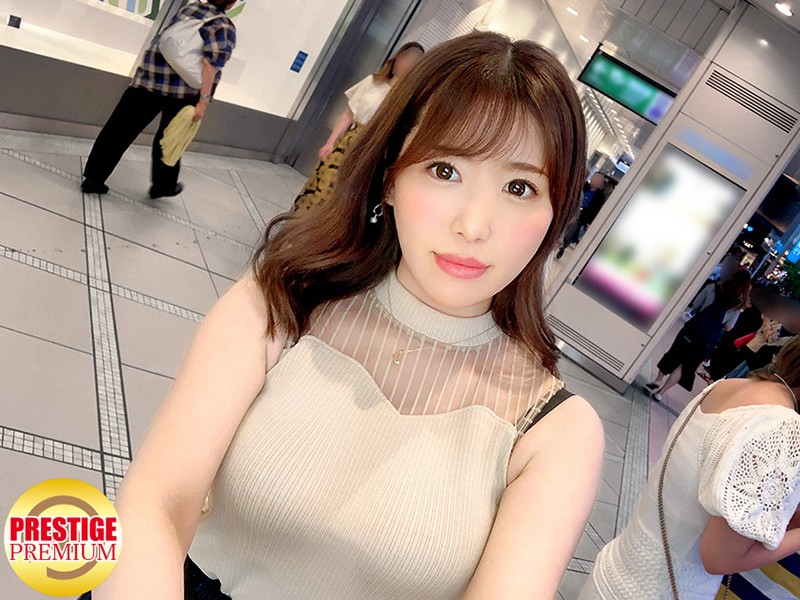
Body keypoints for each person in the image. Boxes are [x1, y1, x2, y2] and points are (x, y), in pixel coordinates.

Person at [87, 32, 605, 599]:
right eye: (444, 170)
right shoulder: (282, 303)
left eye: (519, 186)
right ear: (390, 176)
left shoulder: (554, 431)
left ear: (555, 214)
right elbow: (156, 504)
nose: (474, 226)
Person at [580, 336, 800, 600]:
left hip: (617, 568)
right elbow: (719, 558)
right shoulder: (783, 428)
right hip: (658, 592)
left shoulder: (733, 386)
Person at [80, 0, 237, 199]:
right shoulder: (223, 27)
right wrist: (204, 102)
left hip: (149, 80)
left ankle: (93, 179)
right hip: (184, 92)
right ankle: (163, 186)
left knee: (119, 130)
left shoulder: (190, 9)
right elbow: (210, 66)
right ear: (231, 3)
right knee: (171, 138)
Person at [293, 42, 425, 212]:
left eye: (415, 61)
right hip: (348, 143)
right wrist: (330, 142)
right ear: (396, 58)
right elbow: (348, 115)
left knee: (344, 198)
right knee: (322, 186)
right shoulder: (373, 82)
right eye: (406, 57)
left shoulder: (409, 100)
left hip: (373, 152)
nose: (408, 63)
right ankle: (297, 223)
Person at [645, 270, 751, 401]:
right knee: (685, 365)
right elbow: (728, 327)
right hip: (707, 339)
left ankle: (658, 379)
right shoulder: (738, 306)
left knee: (674, 353)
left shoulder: (712, 287)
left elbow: (696, 305)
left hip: (693, 329)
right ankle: (661, 392)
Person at [556, 171, 605, 259]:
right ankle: (558, 241)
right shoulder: (583, 186)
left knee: (572, 231)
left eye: (598, 180)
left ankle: (563, 246)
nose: (595, 180)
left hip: (583, 216)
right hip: (573, 210)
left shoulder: (600, 196)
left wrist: (589, 222)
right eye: (594, 178)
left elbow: (596, 210)